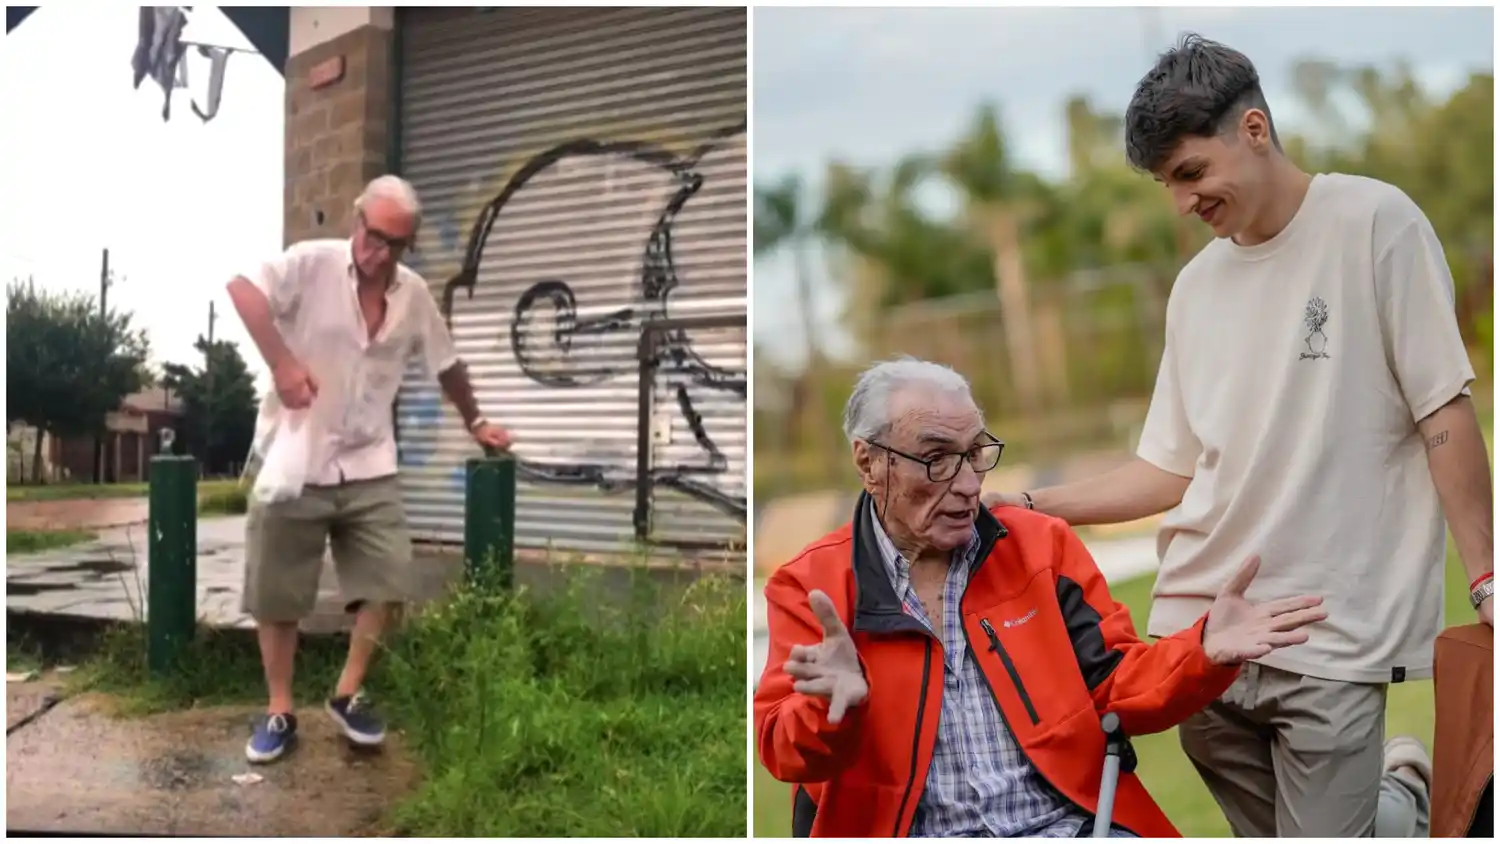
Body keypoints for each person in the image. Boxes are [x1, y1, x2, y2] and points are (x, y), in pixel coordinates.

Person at [983, 35, 1493, 838]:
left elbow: (1443, 414)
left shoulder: (1376, 222)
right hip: (1200, 639)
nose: (1183, 203)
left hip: (1329, 630)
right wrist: (1032, 505)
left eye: (1190, 174)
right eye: (1166, 185)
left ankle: (1398, 793)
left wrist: (1487, 577)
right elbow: (1166, 469)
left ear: (1254, 129)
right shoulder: (1195, 288)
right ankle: (1399, 800)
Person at [754, 358, 1328, 838]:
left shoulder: (1039, 545)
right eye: (937, 458)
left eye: (976, 452)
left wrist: (1202, 649)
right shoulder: (811, 585)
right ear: (869, 463)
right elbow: (786, 753)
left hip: (1071, 824)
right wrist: (830, 708)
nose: (968, 483)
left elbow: (1118, 685)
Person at [226, 175, 513, 764]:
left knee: (388, 580)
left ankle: (347, 694)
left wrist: (476, 421)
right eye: (369, 233)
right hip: (298, 454)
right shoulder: (312, 264)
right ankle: (279, 709)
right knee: (276, 592)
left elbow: (448, 364)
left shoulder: (413, 297)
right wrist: (281, 364)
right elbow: (242, 289)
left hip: (369, 460)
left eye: (390, 243)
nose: (373, 250)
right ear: (356, 220)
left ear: (405, 247)